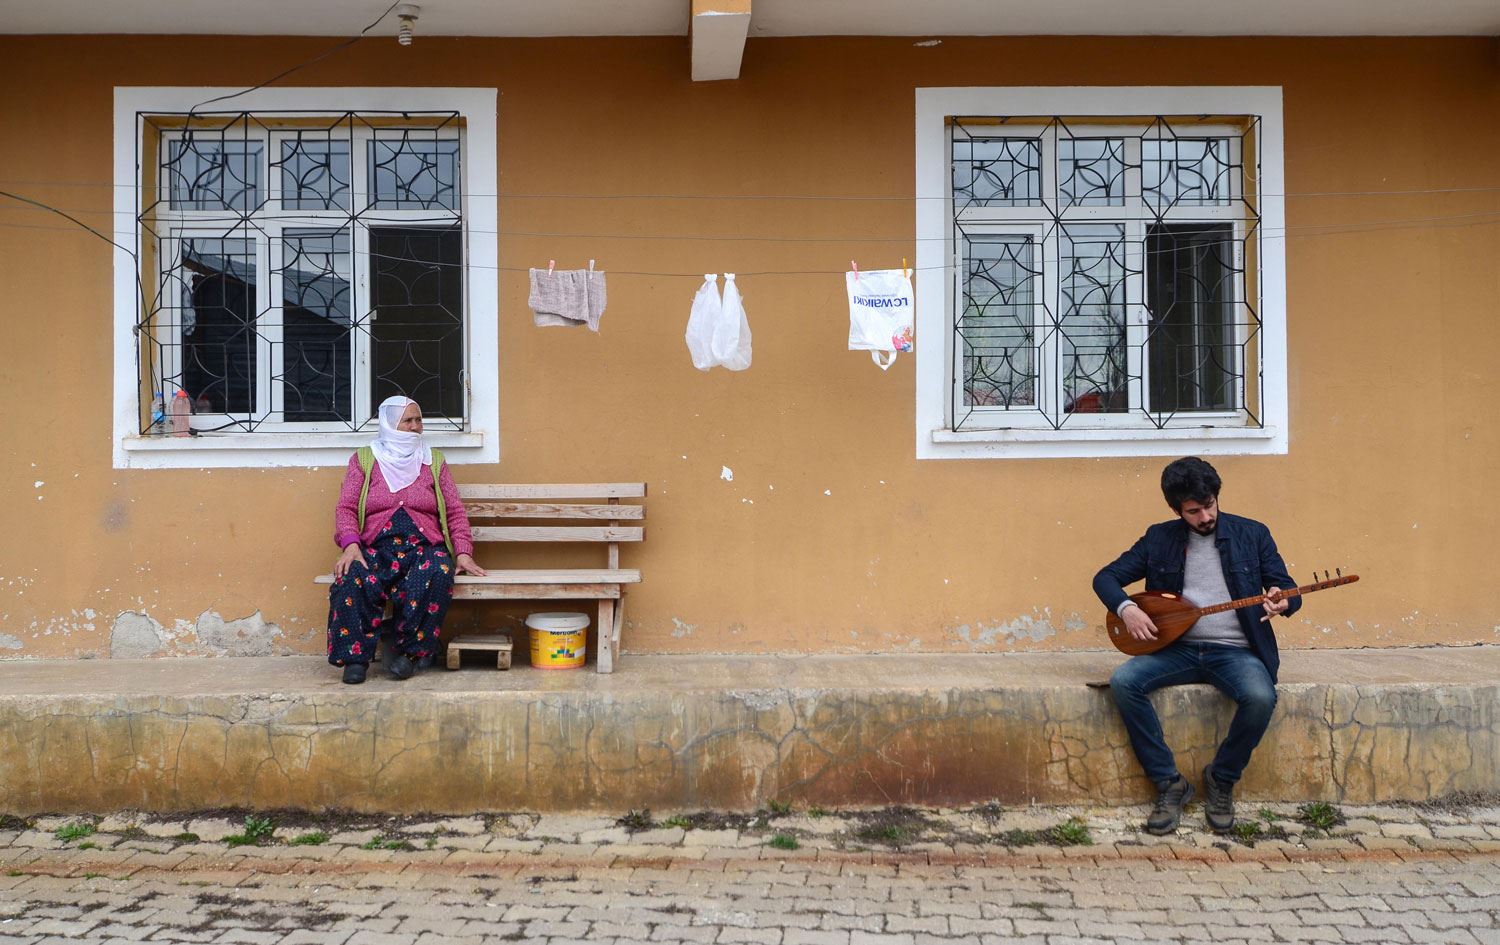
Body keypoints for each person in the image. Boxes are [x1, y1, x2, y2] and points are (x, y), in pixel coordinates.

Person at [1092, 457, 1299, 835]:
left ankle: (1221, 778)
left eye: (1210, 506)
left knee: (1260, 696)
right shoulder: (1159, 538)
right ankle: (1170, 784)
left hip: (1235, 651)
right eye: (1193, 510)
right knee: (1125, 682)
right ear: (1176, 510)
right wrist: (1127, 609)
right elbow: (1105, 578)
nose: (1205, 516)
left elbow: (1285, 586)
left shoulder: (1253, 534)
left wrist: (1282, 600)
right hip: (1178, 650)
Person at [327, 396, 486, 684]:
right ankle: (356, 659)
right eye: (408, 420)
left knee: (438, 571)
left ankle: (410, 655)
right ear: (390, 424)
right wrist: (351, 545)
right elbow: (346, 507)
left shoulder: (433, 461)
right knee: (351, 575)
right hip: (375, 548)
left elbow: (454, 511)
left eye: (418, 420)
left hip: (422, 549)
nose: (415, 427)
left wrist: (463, 552)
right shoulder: (364, 459)